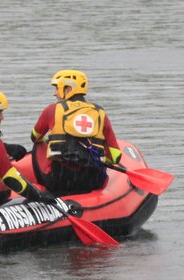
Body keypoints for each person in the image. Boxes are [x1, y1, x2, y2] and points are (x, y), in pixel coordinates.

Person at [30, 68, 122, 196]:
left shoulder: (52, 110)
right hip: (92, 181)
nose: (54, 93)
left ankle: (42, 191)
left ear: (68, 89)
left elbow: (34, 137)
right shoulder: (100, 113)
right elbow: (116, 155)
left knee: (38, 144)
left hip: (60, 181)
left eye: (57, 88)